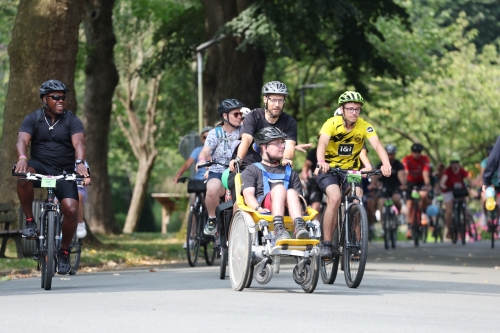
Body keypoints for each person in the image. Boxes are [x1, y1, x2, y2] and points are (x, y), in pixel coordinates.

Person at [15, 79, 89, 275]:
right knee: (23, 176)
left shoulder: (72, 120)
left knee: (72, 210)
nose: (61, 100)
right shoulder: (33, 118)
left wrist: (80, 162)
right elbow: (22, 140)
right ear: (44, 99)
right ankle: (30, 220)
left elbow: (79, 143)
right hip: (39, 166)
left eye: (63, 97)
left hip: (64, 170)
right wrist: (23, 158)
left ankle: (63, 251)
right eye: (55, 97)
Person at [316, 91, 391, 259]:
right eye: (350, 109)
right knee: (334, 198)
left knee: (357, 198)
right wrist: (321, 160)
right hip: (330, 170)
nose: (354, 112)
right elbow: (322, 143)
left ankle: (355, 241)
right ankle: (327, 244)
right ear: (342, 109)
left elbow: (377, 145)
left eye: (357, 109)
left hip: (352, 172)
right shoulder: (331, 123)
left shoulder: (364, 126)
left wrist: (386, 164)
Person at [241, 127, 309, 240]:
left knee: (291, 192)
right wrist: (257, 208)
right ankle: (278, 229)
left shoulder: (290, 172)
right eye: (277, 143)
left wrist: (302, 208)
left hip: (290, 209)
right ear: (264, 147)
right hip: (265, 207)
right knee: (280, 189)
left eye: (283, 142)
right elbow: (248, 195)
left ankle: (299, 227)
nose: (283, 146)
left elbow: (301, 200)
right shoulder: (252, 169)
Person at [198, 99, 244, 235]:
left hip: (238, 172)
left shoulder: (245, 132)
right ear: (225, 116)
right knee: (212, 189)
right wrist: (201, 160)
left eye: (241, 114)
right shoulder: (215, 133)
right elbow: (206, 150)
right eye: (236, 114)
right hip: (218, 171)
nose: (240, 117)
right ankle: (212, 219)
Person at [401, 143, 431, 238]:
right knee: (409, 206)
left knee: (424, 195)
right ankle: (409, 228)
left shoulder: (424, 159)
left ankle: (424, 213)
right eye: (415, 152)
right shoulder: (407, 159)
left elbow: (425, 173)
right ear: (411, 152)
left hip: (421, 182)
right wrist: (404, 184)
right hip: (409, 183)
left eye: (419, 152)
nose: (417, 154)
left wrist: (427, 185)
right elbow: (405, 172)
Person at [439, 153, 471, 238]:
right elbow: (442, 182)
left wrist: (472, 184)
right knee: (449, 211)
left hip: (459, 191)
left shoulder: (462, 170)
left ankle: (466, 220)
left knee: (464, 203)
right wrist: (443, 185)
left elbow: (469, 179)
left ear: (458, 163)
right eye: (453, 162)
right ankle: (448, 229)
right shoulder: (447, 171)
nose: (454, 164)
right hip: (448, 191)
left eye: (456, 162)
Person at [374, 144, 406, 215]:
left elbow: (401, 175)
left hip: (396, 187)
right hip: (384, 187)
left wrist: (403, 184)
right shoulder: (380, 164)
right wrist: (373, 184)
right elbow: (375, 176)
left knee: (396, 199)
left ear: (394, 154)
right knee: (381, 202)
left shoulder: (398, 164)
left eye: (392, 154)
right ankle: (383, 224)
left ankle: (399, 214)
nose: (390, 156)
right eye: (388, 154)